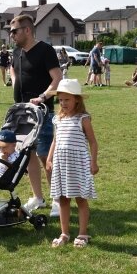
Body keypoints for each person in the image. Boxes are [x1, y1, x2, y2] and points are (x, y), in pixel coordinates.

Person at [9, 14, 62, 217]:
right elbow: (13, 71)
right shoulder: (16, 52)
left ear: (27, 30)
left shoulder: (45, 50)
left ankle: (57, 199)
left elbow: (57, 78)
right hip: (21, 114)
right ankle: (38, 198)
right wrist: (15, 83)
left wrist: (42, 97)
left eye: (15, 31)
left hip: (42, 113)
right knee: (28, 155)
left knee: (45, 156)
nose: (12, 35)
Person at [45, 79, 99, 247]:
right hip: (62, 164)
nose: (63, 103)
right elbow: (55, 140)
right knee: (63, 199)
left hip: (78, 164)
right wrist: (49, 158)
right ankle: (64, 233)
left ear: (77, 99)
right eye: (60, 100)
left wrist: (94, 161)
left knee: (81, 199)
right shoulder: (57, 119)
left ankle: (83, 234)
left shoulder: (83, 118)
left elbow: (93, 142)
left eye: (67, 99)